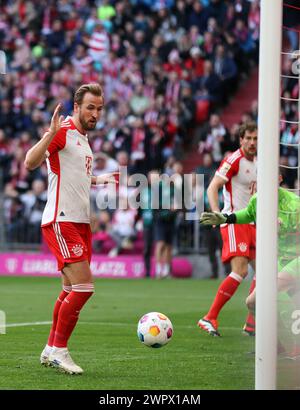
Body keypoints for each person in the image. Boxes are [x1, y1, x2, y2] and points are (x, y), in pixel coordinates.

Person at [24, 83, 118, 374]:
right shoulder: (62, 131)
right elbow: (30, 162)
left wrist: (99, 180)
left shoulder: (83, 139)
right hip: (61, 220)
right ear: (76, 107)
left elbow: (76, 175)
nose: (95, 113)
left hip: (78, 221)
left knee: (69, 289)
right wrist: (50, 134)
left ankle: (50, 348)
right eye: (90, 107)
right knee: (84, 287)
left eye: (99, 108)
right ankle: (60, 351)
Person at [200, 183, 300, 355]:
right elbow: (247, 214)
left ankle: (297, 349)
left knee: (278, 291)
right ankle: (275, 345)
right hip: (277, 261)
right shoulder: (257, 200)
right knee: (252, 302)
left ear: (280, 179)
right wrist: (225, 218)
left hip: (295, 258)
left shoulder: (294, 204)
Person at [198, 121, 258, 336]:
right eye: (248, 138)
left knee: (265, 273)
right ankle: (210, 317)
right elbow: (213, 187)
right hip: (235, 222)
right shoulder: (234, 160)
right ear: (241, 139)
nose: (252, 142)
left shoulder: (262, 161)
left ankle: (251, 324)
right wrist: (217, 213)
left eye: (255, 138)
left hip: (255, 224)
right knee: (241, 270)